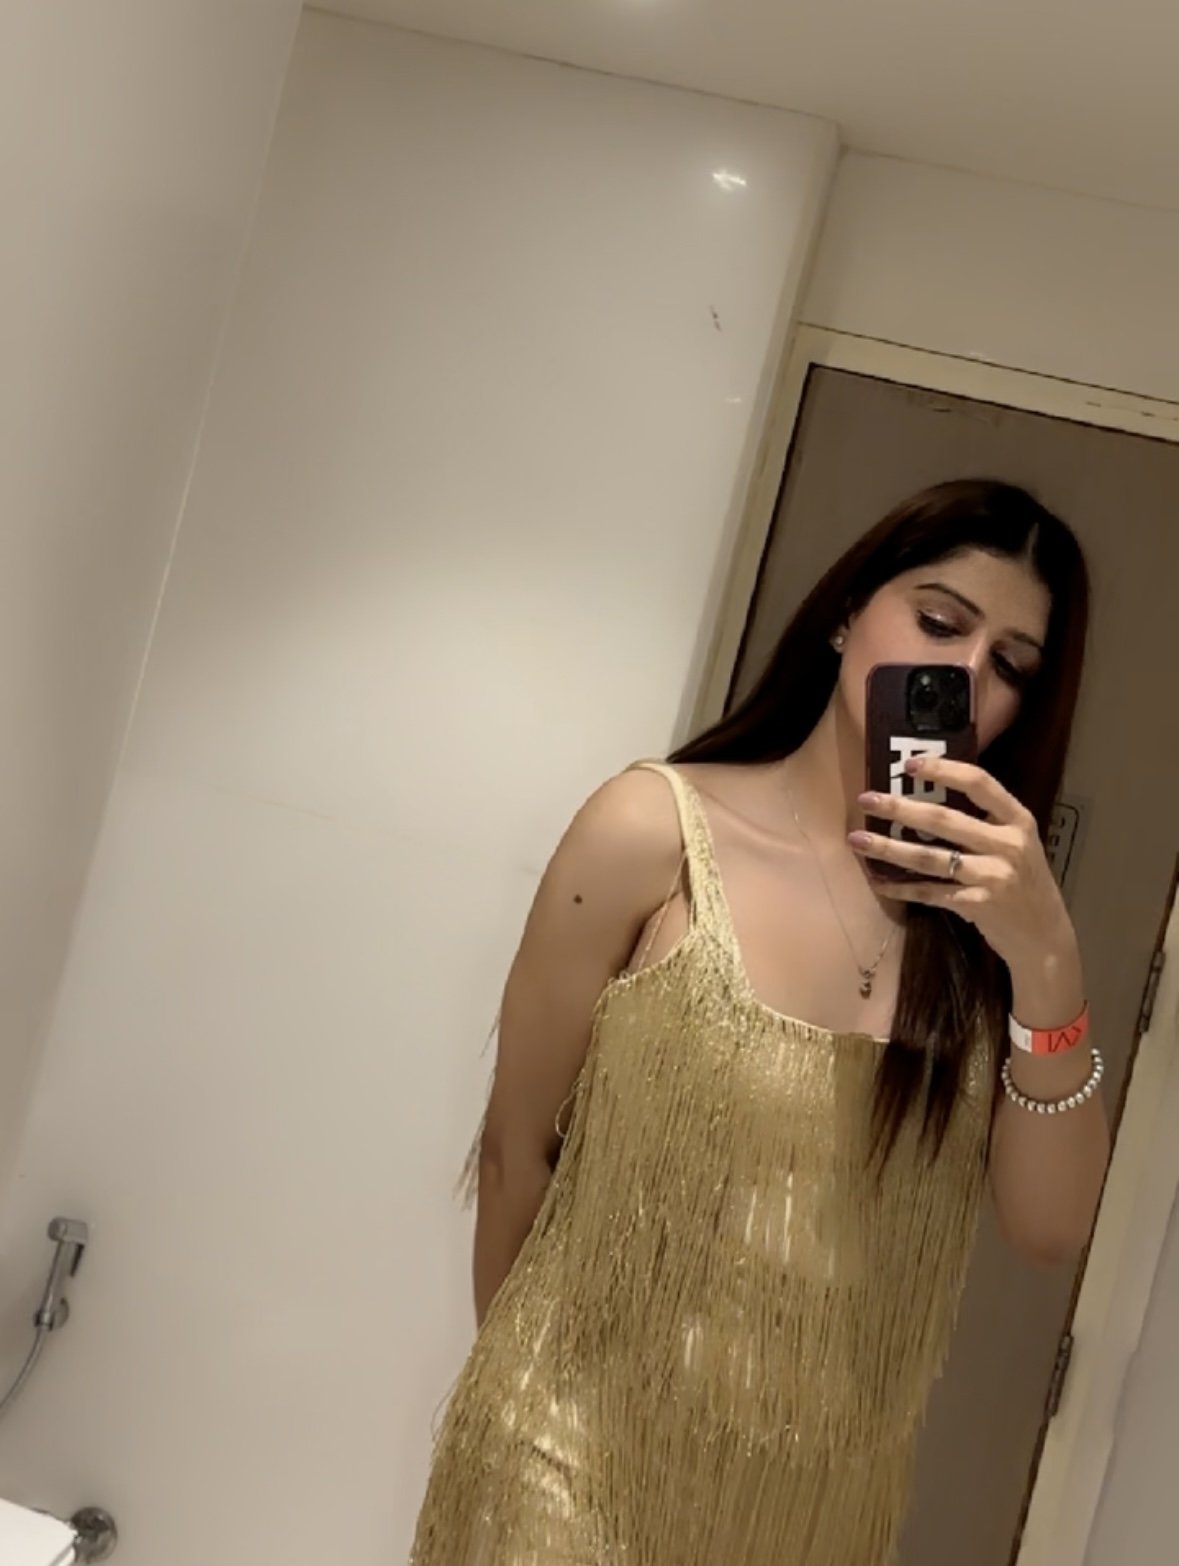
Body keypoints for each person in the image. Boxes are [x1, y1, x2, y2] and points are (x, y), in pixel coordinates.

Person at [409, 479, 1111, 1566]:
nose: (966, 676)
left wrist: (1048, 961)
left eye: (1011, 665)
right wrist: (523, 1440)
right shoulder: (651, 832)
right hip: (567, 1467)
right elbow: (515, 1155)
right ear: (845, 613)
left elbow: (1050, 1228)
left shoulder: (986, 946)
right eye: (939, 621)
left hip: (816, 1520)